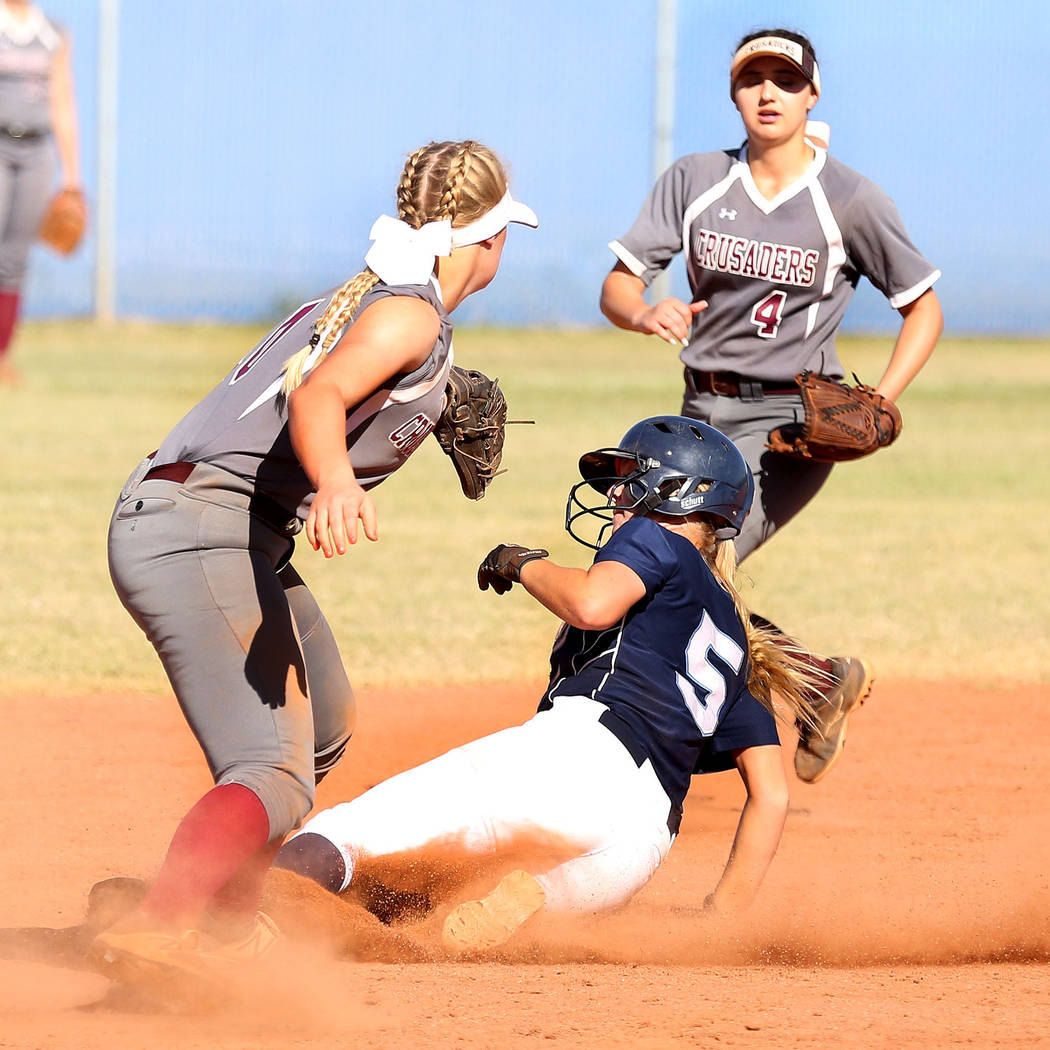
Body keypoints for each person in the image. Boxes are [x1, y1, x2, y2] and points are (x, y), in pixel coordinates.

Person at [90, 140, 538, 987]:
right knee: (273, 769)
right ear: (488, 240)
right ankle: (162, 926)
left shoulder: (375, 299)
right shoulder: (409, 315)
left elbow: (342, 384)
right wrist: (338, 480)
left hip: (226, 528)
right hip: (198, 526)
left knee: (323, 724)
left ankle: (227, 921)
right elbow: (318, 394)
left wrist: (430, 401)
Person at [274, 416, 821, 954]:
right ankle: (528, 898)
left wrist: (523, 562)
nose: (614, 499)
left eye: (630, 481)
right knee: (430, 904)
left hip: (576, 760)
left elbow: (590, 603)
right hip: (638, 845)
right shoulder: (736, 644)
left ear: (673, 492)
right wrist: (722, 917)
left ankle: (225, 931)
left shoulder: (656, 537)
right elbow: (770, 795)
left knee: (346, 838)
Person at [599, 28, 944, 784]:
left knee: (674, 568)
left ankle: (685, 739)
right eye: (753, 78)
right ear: (733, 92)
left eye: (785, 80)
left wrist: (881, 400)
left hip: (788, 429)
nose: (768, 92)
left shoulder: (849, 199)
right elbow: (618, 286)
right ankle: (818, 683)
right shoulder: (695, 179)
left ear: (811, 95)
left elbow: (923, 308)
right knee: (655, 568)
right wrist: (644, 312)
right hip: (694, 419)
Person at [0, 0, 80, 384]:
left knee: (14, 258)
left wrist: (72, 178)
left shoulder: (53, 33)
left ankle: (1, 356)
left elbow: (62, 103)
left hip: (36, 152)